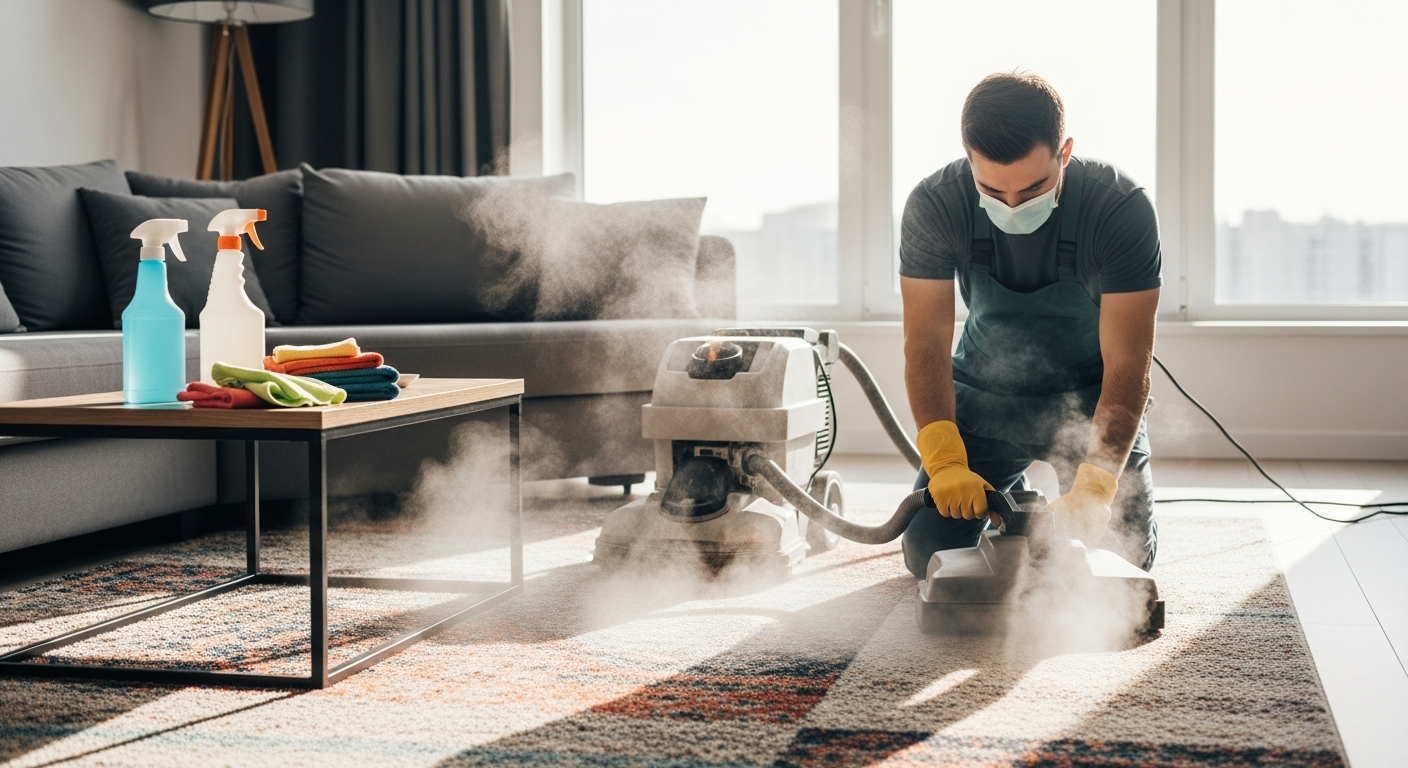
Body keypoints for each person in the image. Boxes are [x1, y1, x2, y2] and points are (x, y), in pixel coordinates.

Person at [899, 72, 1160, 577]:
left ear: (1064, 153)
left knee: (1124, 562)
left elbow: (1130, 363)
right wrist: (946, 460)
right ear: (967, 158)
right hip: (983, 396)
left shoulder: (1121, 209)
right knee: (925, 553)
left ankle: (1033, 502)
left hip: (1092, 400)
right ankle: (1014, 501)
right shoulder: (935, 204)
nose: (1013, 205)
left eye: (1034, 187)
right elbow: (925, 345)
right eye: (992, 190)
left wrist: (1097, 487)